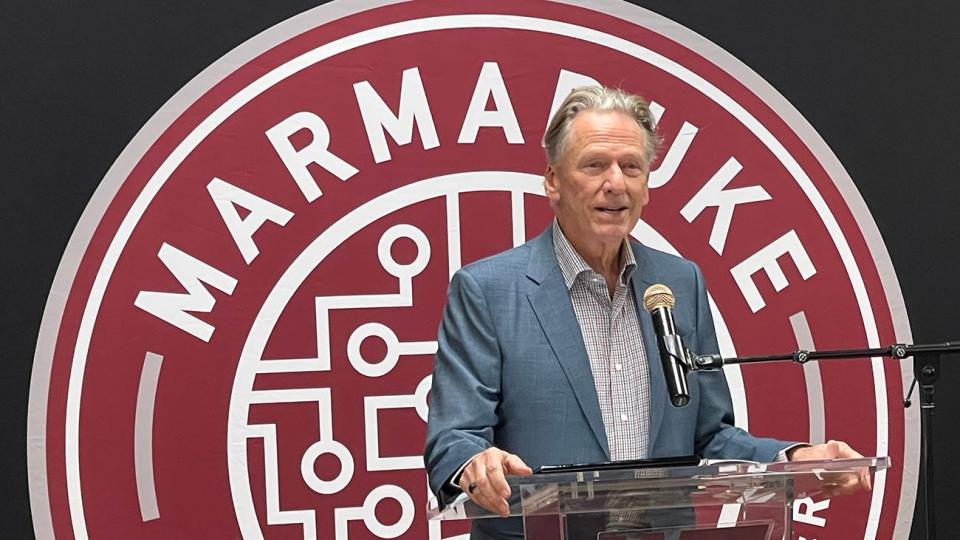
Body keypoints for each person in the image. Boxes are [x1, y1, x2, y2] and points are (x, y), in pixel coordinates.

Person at [423, 86, 869, 539]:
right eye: (595, 165)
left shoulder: (678, 284)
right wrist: (475, 463)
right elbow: (453, 439)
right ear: (553, 181)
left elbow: (709, 437)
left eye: (631, 167)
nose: (615, 183)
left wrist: (792, 460)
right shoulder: (488, 290)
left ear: (646, 185)